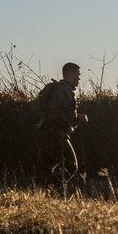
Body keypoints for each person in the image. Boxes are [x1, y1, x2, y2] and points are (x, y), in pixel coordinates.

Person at [34, 62, 88, 193]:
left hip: (45, 132)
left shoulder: (61, 89)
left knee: (45, 169)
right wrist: (67, 126)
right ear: (70, 74)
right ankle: (50, 190)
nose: (79, 78)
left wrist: (78, 117)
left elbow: (61, 111)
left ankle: (40, 194)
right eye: (77, 75)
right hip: (55, 134)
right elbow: (55, 109)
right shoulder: (65, 90)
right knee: (71, 165)